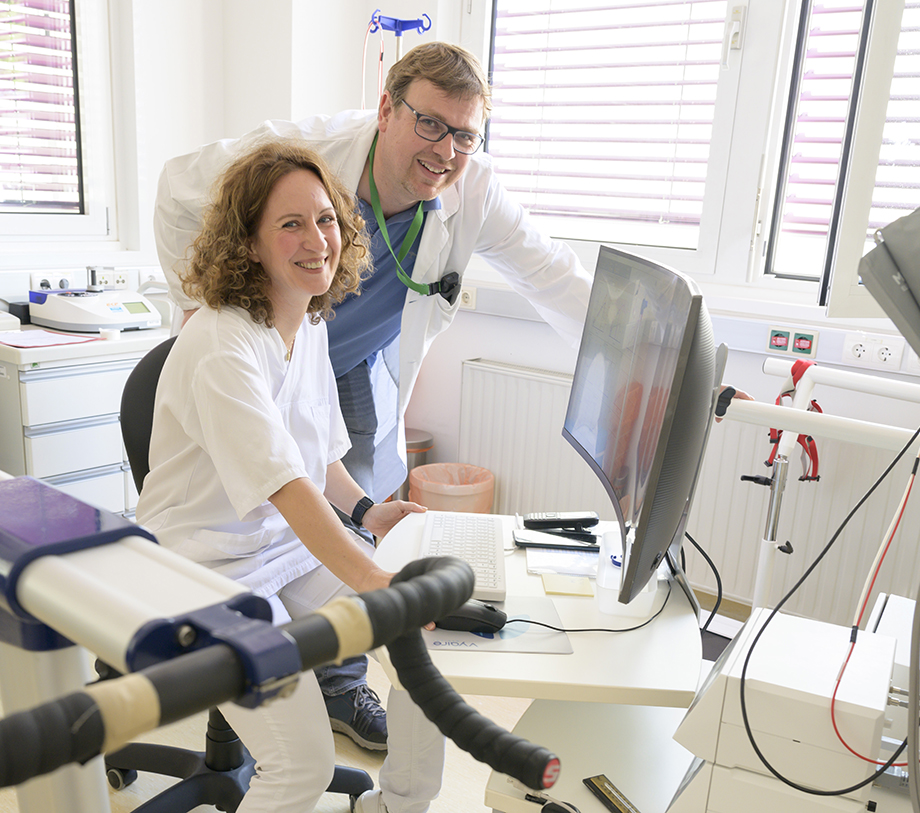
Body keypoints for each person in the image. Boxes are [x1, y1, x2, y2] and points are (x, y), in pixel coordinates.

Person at [154, 42, 593, 762]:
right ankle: (280, 693)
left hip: (326, 334)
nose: (445, 150)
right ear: (386, 110)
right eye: (428, 124)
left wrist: (363, 515)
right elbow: (178, 189)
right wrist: (205, 300)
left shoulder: (455, 200)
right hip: (221, 527)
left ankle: (345, 688)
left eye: (464, 134)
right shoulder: (300, 164)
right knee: (333, 556)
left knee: (365, 531)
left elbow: (553, 272)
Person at [137, 140, 434, 813]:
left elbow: (318, 458)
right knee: (301, 763)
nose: (317, 240)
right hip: (202, 570)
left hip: (284, 549)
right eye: (291, 224)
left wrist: (365, 513)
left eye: (326, 219)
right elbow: (285, 485)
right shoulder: (221, 343)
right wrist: (372, 578)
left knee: (419, 648)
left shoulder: (310, 318)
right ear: (248, 243)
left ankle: (396, 805)